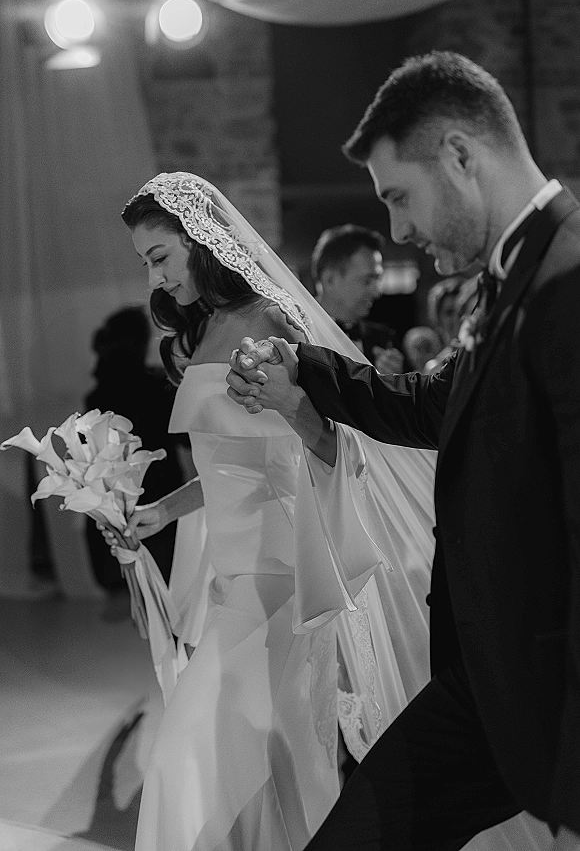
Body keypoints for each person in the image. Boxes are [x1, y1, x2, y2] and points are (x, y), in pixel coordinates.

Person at [226, 50, 580, 850]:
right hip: (489, 681)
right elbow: (429, 400)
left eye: (399, 197)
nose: (398, 231)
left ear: (460, 156)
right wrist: (304, 368)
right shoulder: (509, 278)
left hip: (544, 692)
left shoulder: (568, 283)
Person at [97, 171, 443, 851]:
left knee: (196, 760)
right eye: (145, 263)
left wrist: (292, 406)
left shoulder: (272, 321)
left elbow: (334, 447)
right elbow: (231, 467)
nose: (154, 278)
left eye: (159, 257)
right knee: (267, 776)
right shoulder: (198, 334)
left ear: (200, 241)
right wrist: (163, 511)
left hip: (280, 587)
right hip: (230, 583)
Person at [84, 306, 185, 591]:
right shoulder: (159, 387)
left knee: (134, 593)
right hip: (160, 501)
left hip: (114, 506)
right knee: (166, 591)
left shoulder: (97, 395)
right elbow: (187, 439)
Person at [311, 224, 404, 372]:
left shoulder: (383, 339)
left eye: (377, 280)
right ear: (330, 279)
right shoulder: (298, 333)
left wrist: (391, 381)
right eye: (367, 281)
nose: (377, 292)